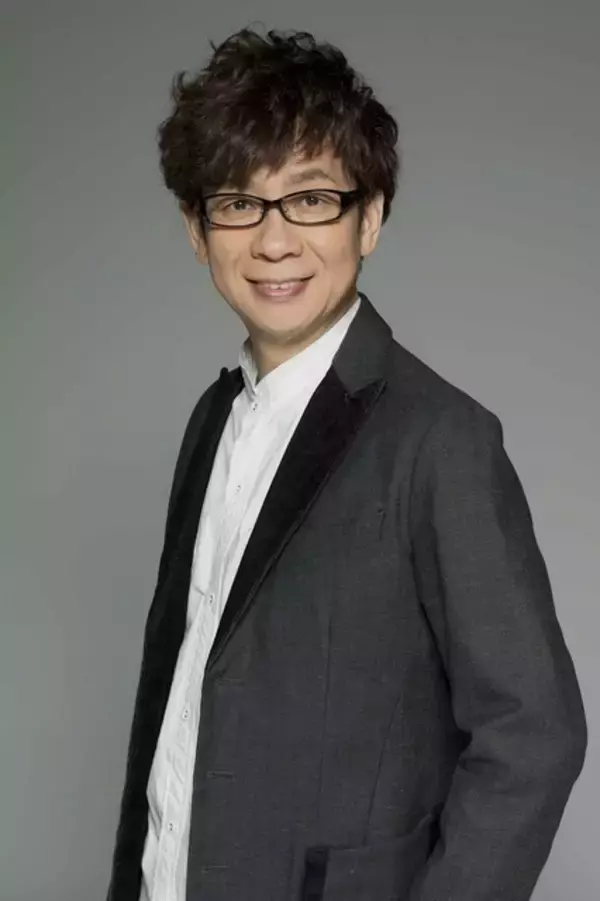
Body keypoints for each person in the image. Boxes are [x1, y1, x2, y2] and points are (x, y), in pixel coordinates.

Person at [106, 27, 587, 901]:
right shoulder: (213, 419)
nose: (274, 241)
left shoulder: (441, 439)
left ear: (370, 218)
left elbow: (535, 735)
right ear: (197, 229)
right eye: (239, 203)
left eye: (311, 200)